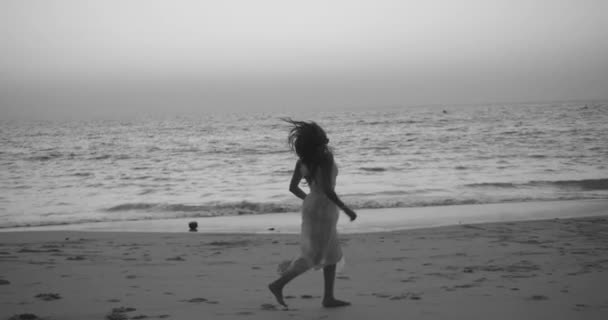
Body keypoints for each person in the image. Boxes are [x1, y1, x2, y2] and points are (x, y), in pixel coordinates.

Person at [268, 119, 357, 308]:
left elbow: (292, 188)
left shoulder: (303, 161)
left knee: (330, 252)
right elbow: (327, 190)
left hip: (312, 207)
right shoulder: (326, 158)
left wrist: (309, 200)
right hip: (325, 208)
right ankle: (278, 285)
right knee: (316, 255)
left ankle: (328, 297)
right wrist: (346, 208)